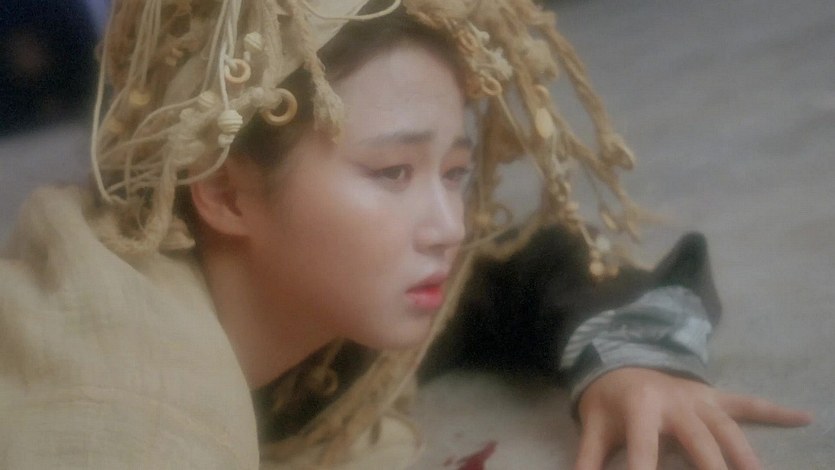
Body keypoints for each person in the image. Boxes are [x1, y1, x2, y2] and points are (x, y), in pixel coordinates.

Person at [0, 0, 811, 468]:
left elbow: (522, 262)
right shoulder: (113, 395)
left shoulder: (330, 294)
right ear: (222, 190)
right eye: (391, 172)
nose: (448, 227)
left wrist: (630, 358)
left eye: (453, 171)